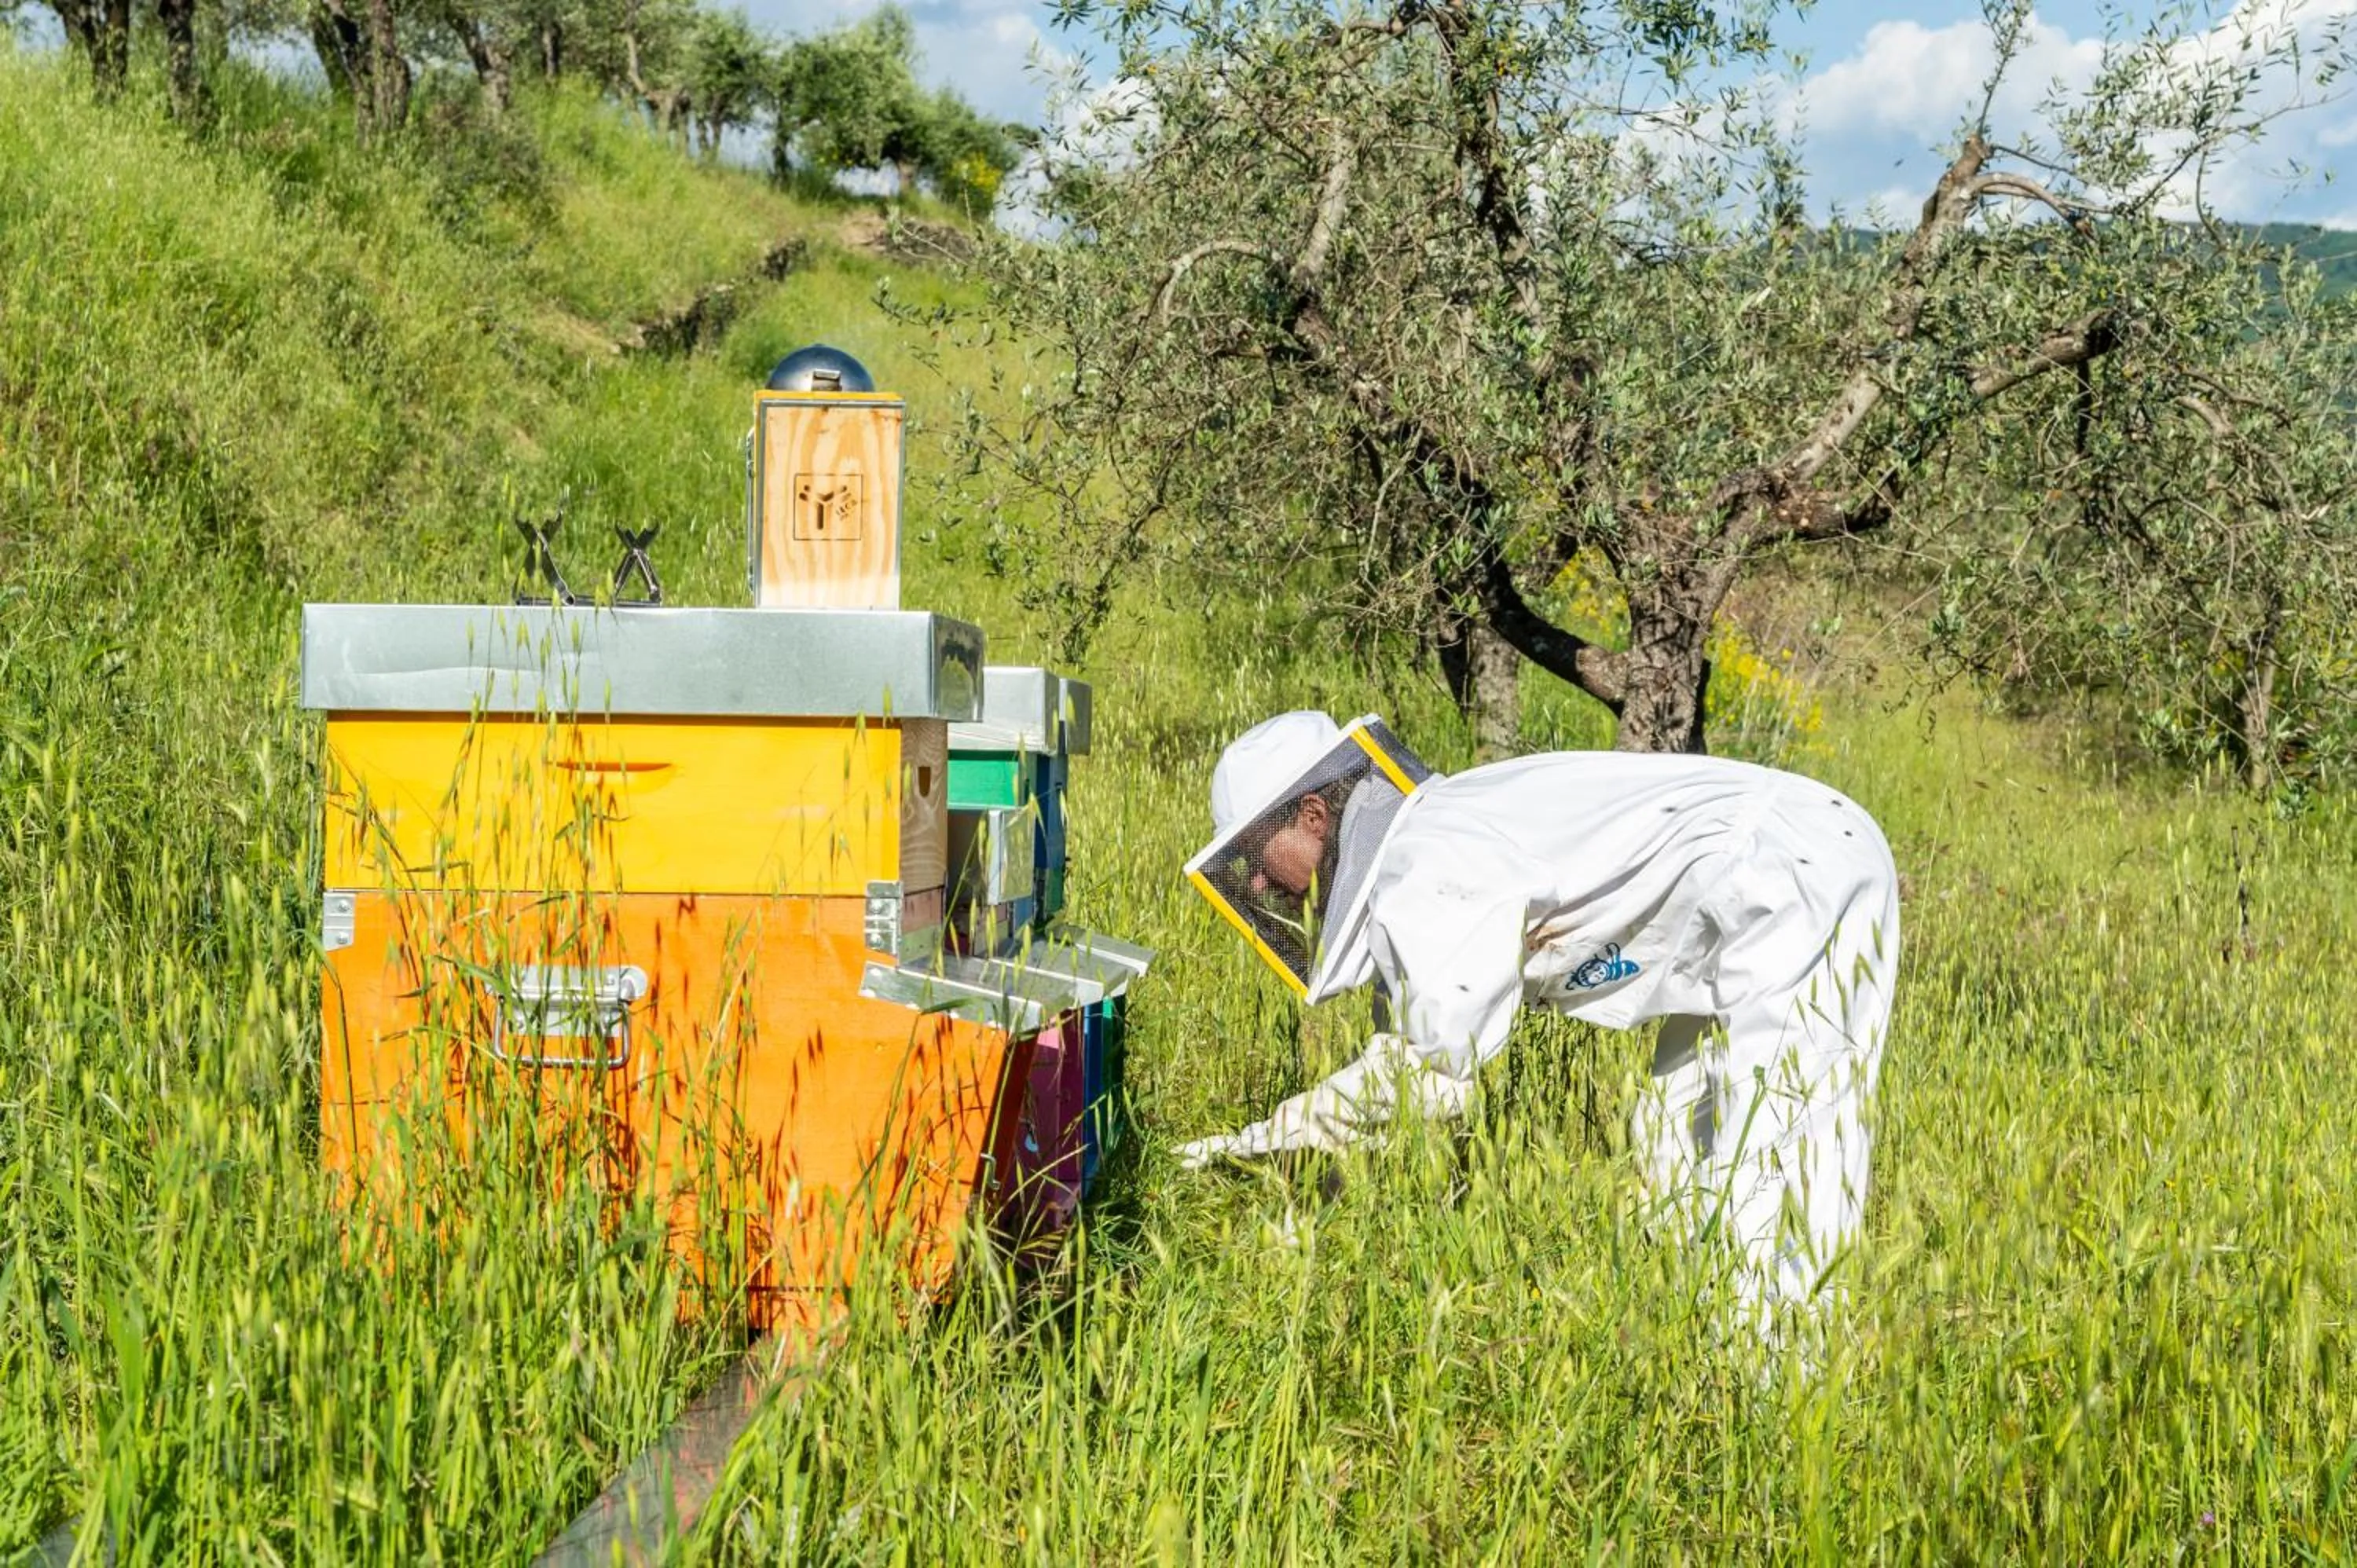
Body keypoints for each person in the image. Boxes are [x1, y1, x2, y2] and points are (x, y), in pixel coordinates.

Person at [1178, 710, 1901, 1322]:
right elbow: (1404, 1054)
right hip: (1747, 891)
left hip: (1790, 870)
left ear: (1312, 815)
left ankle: (1786, 1388)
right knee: (1674, 1148)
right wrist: (1307, 1182)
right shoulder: (1417, 860)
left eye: (1257, 854)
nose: (1258, 882)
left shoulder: (1430, 859)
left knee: (1775, 1156)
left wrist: (1260, 1141)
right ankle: (1710, 1368)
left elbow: (1433, 1074)